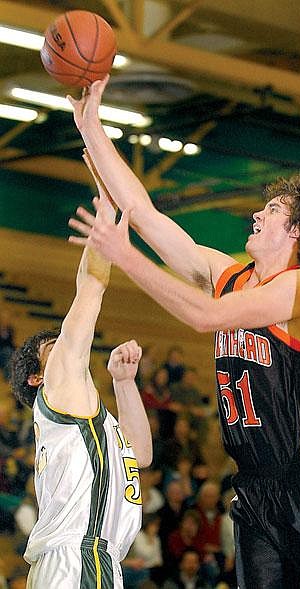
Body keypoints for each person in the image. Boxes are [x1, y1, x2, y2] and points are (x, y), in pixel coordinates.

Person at [67, 76, 300, 588]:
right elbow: (147, 216)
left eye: (273, 211)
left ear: (296, 233)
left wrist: (122, 254)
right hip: (252, 482)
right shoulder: (230, 275)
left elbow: (205, 317)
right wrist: (91, 126)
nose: (257, 213)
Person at [9, 153, 152, 588]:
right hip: (79, 560)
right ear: (38, 377)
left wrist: (124, 384)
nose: (67, 343)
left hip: (89, 561)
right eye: (51, 346)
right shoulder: (58, 389)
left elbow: (140, 456)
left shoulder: (85, 421)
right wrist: (106, 203)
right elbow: (90, 285)